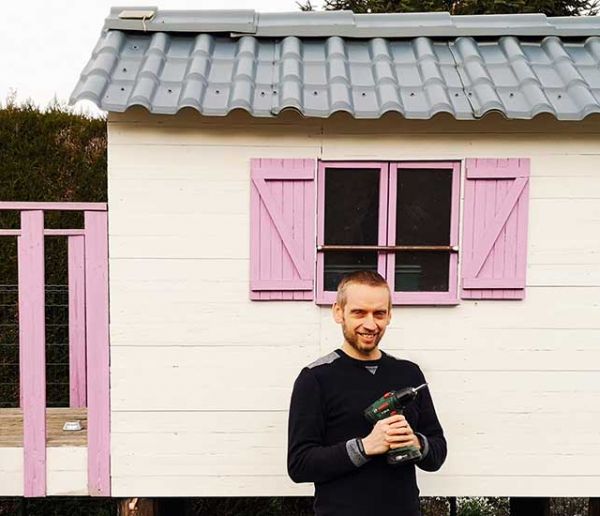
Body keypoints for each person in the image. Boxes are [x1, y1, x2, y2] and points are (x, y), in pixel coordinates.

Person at [287, 271, 447, 516]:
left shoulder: (410, 374)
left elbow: (437, 452)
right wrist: (365, 447)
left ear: (389, 315)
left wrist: (415, 442)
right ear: (338, 313)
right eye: (359, 312)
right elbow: (299, 465)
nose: (371, 324)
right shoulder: (315, 378)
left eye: (379, 313)